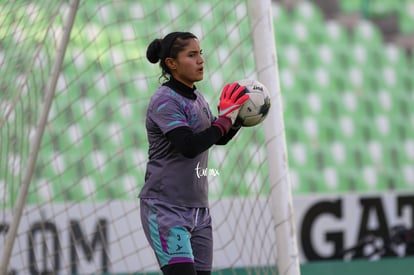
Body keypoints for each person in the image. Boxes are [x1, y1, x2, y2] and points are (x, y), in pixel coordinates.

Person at [138, 31, 249, 275]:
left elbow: (215, 138)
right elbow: (188, 146)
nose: (200, 60)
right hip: (166, 208)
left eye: (200, 54)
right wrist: (223, 122)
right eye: (191, 55)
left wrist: (236, 119)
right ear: (171, 63)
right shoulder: (164, 100)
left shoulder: (197, 97)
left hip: (198, 211)